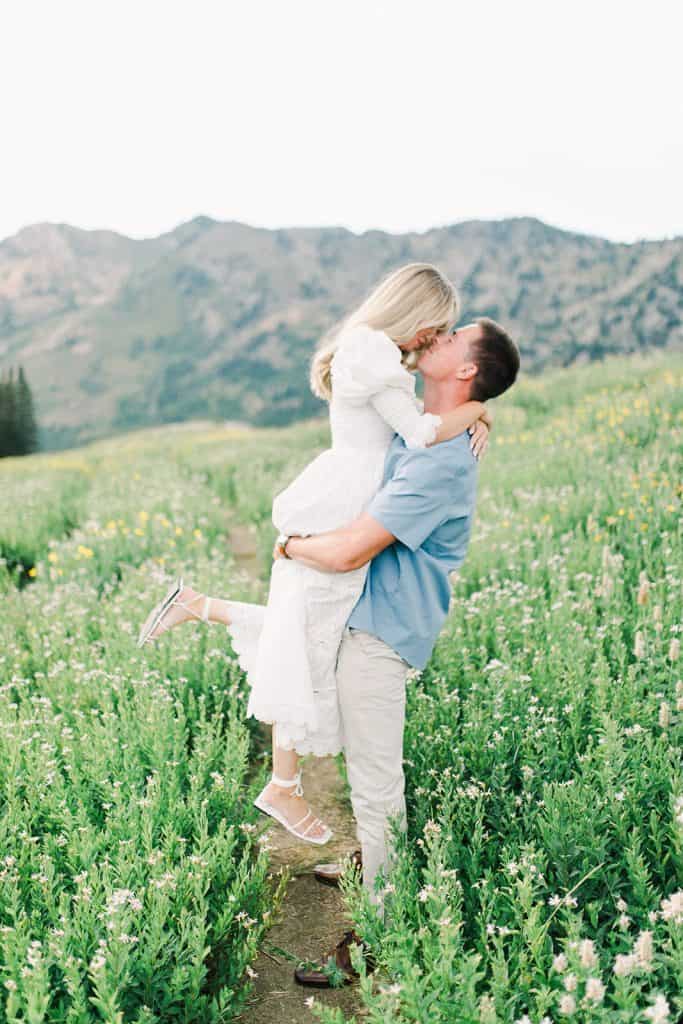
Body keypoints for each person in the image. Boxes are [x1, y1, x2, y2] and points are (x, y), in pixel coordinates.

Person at [138, 263, 491, 845]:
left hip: (342, 496)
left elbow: (420, 429)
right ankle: (283, 784)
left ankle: (199, 606)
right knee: (309, 640)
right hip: (347, 504)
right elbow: (422, 433)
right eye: (438, 326)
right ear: (416, 313)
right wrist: (477, 411)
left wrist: (476, 408)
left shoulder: (369, 349)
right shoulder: (375, 356)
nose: (435, 340)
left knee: (305, 630)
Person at [279, 319, 520, 987]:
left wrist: (288, 546)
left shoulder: (443, 459)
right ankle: (367, 866)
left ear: (465, 370)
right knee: (364, 766)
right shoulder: (425, 426)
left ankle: (375, 936)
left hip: (381, 630)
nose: (434, 336)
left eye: (451, 337)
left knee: (378, 785)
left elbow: (352, 547)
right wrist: (475, 411)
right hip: (363, 614)